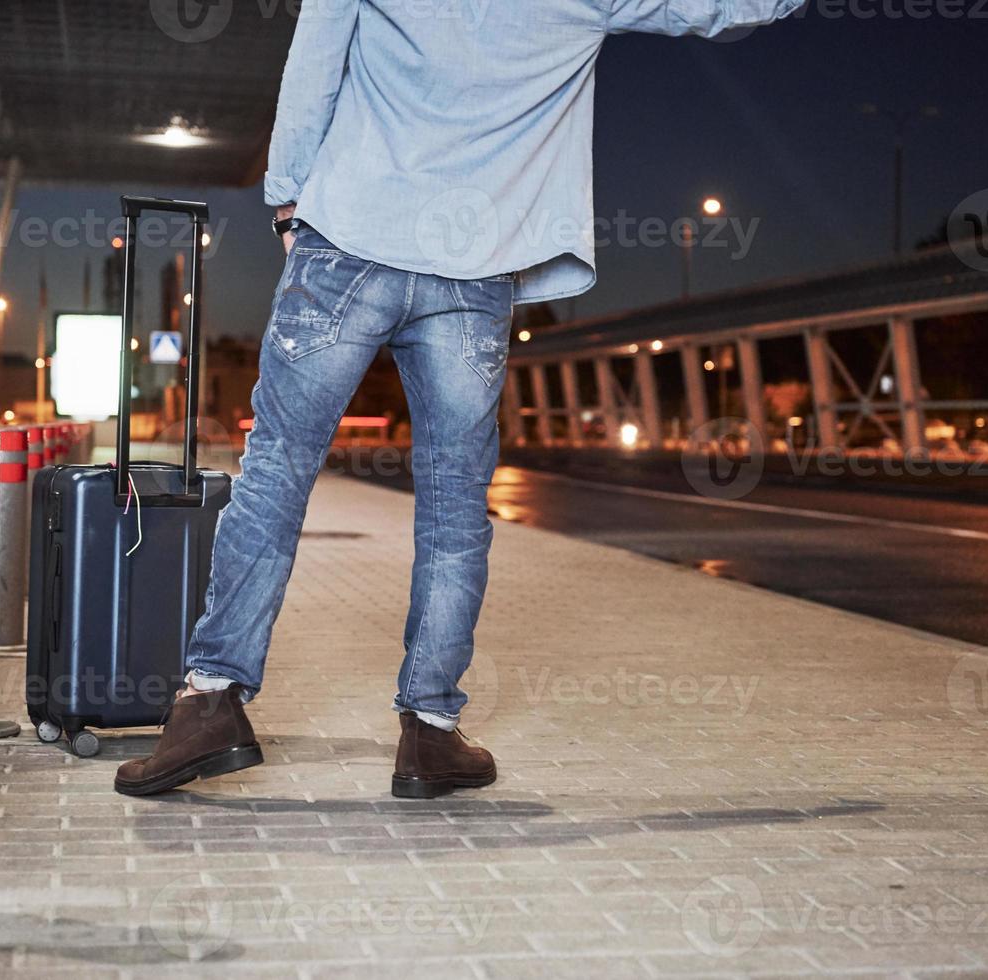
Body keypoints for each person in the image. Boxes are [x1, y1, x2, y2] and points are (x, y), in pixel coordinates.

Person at [115, 0, 805, 799]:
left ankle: (211, 704)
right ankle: (430, 733)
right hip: (472, 268)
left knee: (274, 476)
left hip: (348, 242)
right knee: (453, 509)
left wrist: (290, 199)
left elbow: (312, 68)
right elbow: (727, 8)